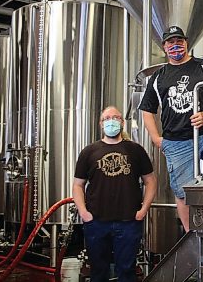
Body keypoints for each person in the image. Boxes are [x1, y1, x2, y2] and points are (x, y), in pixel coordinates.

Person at [139, 26, 203, 232]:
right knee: (183, 192)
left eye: (179, 41)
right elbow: (146, 109)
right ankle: (191, 237)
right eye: (171, 42)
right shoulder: (158, 77)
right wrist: (155, 137)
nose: (175, 45)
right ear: (164, 46)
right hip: (176, 140)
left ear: (186, 42)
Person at [73, 106, 157, 282]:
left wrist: (143, 210)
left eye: (116, 117)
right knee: (98, 271)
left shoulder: (136, 150)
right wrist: (83, 212)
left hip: (129, 222)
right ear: (101, 124)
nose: (111, 121)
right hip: (96, 222)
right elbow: (78, 185)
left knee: (127, 271)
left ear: (122, 122)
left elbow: (151, 181)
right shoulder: (88, 152)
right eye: (107, 118)